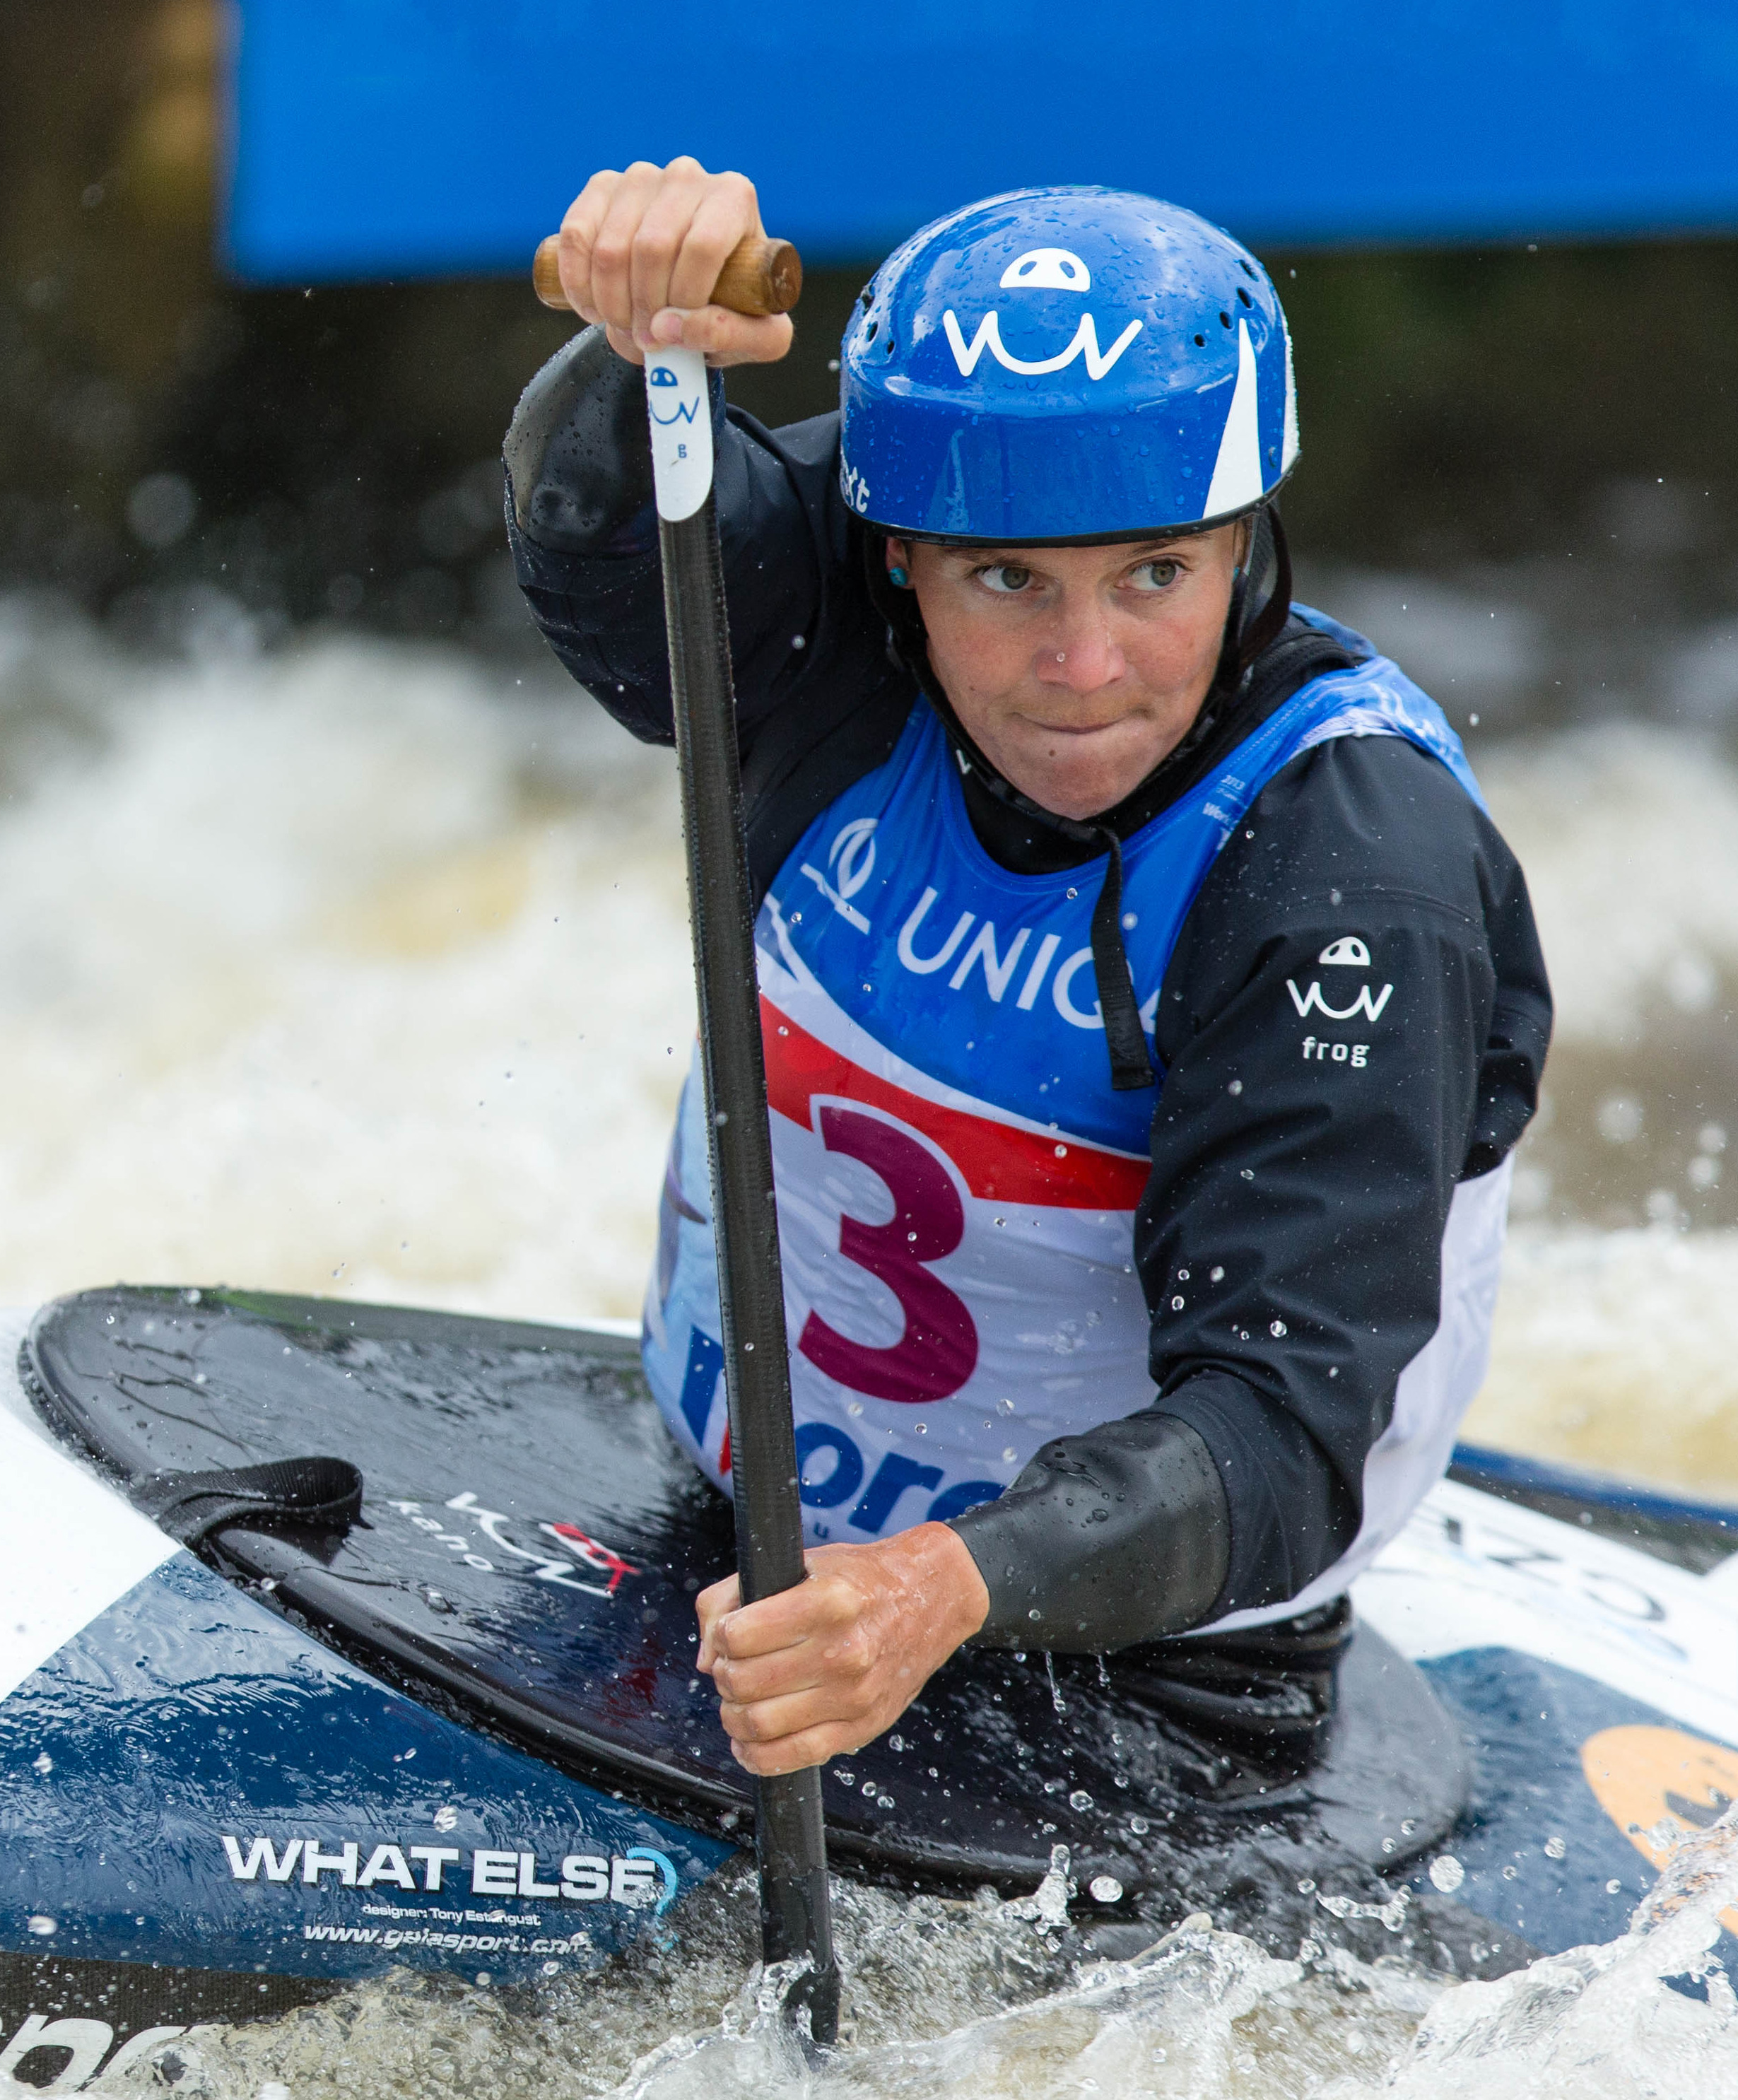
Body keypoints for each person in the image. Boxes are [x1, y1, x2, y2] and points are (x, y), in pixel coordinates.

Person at [504, 159, 1551, 1791]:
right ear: (902, 558)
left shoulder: (1344, 872)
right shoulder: (835, 633)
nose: (1082, 669)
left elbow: (1281, 1436)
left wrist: (936, 1585)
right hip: (721, 1523)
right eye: (1008, 582)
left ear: (1243, 540)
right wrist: (640, 339)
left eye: (1156, 573)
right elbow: (605, 537)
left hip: (1151, 1675)